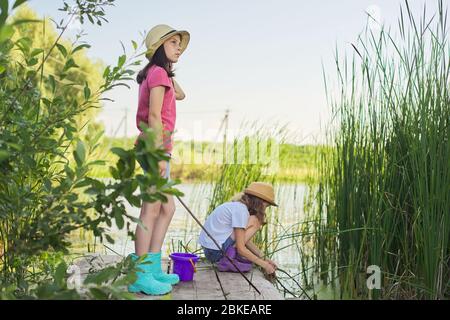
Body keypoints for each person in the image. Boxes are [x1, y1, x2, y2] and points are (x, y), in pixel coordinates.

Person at [128, 24, 189, 295]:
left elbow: (181, 94)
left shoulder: (157, 74)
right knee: (151, 210)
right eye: (174, 43)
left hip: (157, 148)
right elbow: (154, 116)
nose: (179, 48)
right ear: (159, 46)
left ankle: (152, 268)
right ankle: (141, 274)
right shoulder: (157, 74)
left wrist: (167, 67)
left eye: (180, 44)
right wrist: (157, 153)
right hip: (155, 149)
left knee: (167, 209)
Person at [198, 182, 278, 275]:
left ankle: (229, 256)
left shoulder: (236, 206)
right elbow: (241, 248)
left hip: (211, 251)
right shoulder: (241, 211)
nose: (264, 209)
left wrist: (265, 259)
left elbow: (244, 240)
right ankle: (227, 259)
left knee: (253, 220)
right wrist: (265, 265)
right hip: (217, 253)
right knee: (256, 220)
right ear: (261, 202)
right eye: (266, 206)